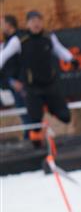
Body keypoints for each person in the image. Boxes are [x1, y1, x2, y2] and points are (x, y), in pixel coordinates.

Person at [0, 9, 75, 146]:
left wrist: (71, 59)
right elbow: (3, 56)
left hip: (49, 85)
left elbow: (59, 50)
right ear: (27, 24)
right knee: (34, 123)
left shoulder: (48, 37)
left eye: (39, 21)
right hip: (32, 88)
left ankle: (48, 107)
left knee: (66, 117)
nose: (36, 24)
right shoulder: (19, 40)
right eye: (33, 21)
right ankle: (36, 145)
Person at [0, 14, 27, 116]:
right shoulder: (7, 40)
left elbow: (2, 58)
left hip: (20, 83)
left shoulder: (16, 40)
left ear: (9, 25)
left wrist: (16, 81)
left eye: (2, 24)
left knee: (27, 114)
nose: (1, 27)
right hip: (12, 81)